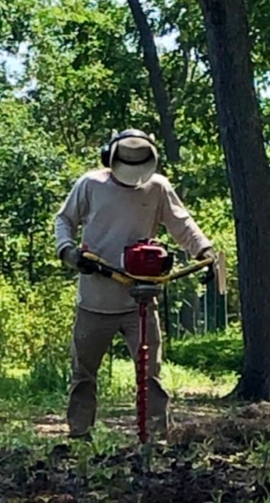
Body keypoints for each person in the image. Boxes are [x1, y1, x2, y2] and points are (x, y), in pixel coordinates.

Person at [54, 129, 213, 439]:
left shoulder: (158, 187)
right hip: (95, 298)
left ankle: (155, 438)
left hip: (140, 296)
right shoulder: (91, 184)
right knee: (84, 374)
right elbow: (64, 219)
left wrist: (203, 250)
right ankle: (79, 436)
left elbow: (182, 223)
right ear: (109, 157)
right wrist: (69, 252)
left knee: (150, 376)